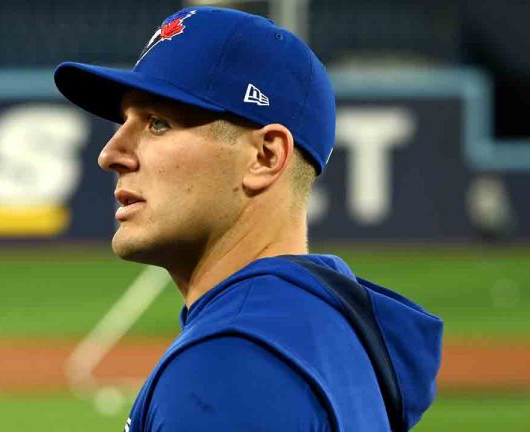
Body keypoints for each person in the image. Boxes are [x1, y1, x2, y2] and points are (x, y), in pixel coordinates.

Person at [54, 7, 442, 432]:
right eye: (123, 122)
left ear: (265, 157)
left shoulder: (228, 367)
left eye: (158, 123)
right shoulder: (322, 328)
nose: (110, 154)